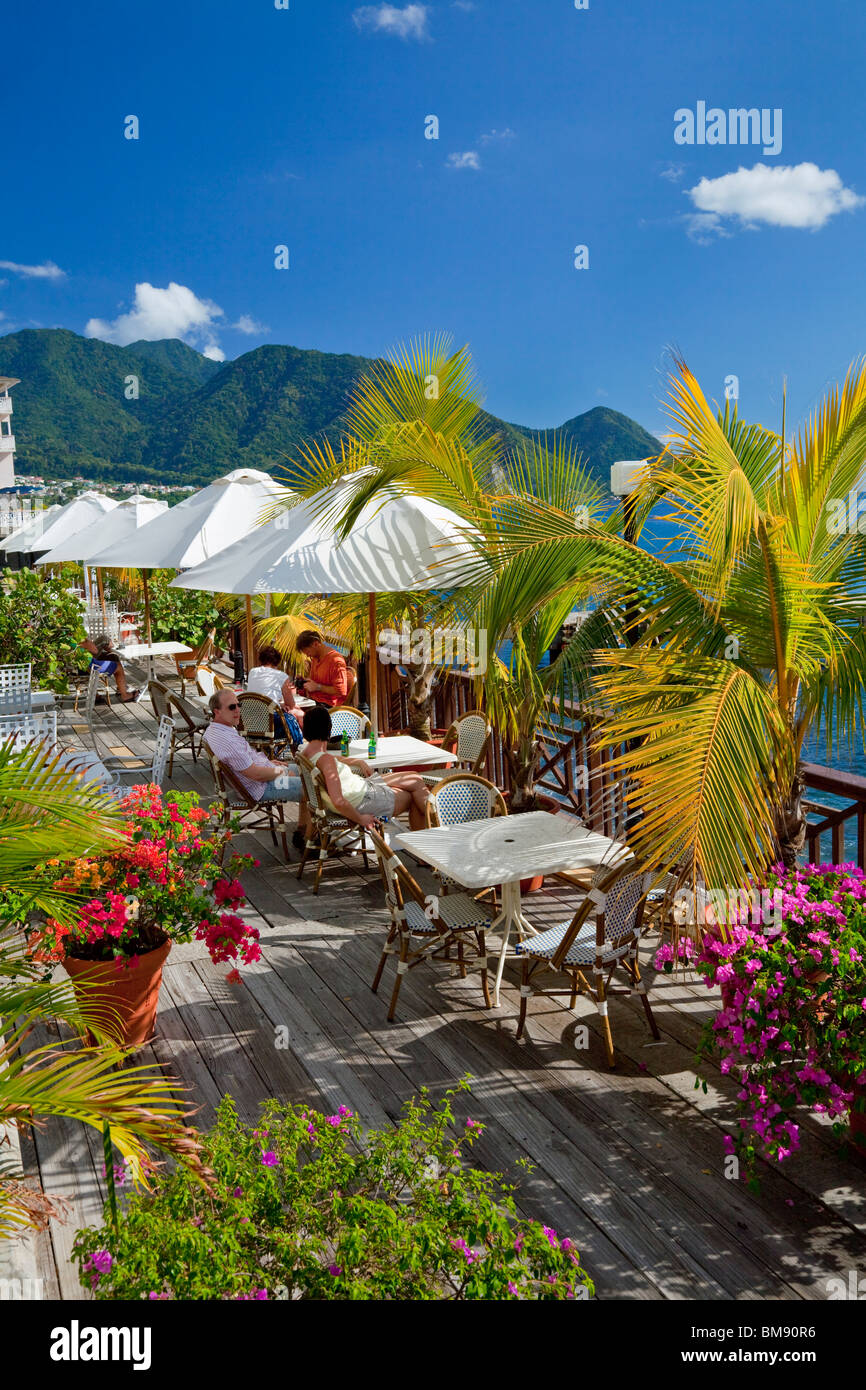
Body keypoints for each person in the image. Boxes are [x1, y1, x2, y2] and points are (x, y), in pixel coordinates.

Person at [300, 704, 430, 831]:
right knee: (413, 793)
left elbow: (330, 759)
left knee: (414, 777)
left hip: (361, 788)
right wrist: (361, 819)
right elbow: (338, 801)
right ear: (328, 728)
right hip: (361, 800)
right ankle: (436, 823)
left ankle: (432, 825)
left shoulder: (307, 753)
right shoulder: (325, 760)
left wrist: (357, 761)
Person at [204, 688, 303, 808]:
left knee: (306, 771)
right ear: (217, 711)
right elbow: (256, 774)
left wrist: (268, 763)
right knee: (311, 787)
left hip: (261, 778)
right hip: (261, 787)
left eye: (238, 705)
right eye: (232, 707)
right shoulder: (227, 741)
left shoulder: (216, 729)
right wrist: (283, 772)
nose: (237, 710)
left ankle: (303, 825)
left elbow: (248, 766)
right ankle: (312, 825)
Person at [246, 644, 303, 746]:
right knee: (299, 713)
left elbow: (261, 697)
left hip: (250, 723)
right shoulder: (281, 676)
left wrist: (278, 704)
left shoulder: (252, 672)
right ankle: (305, 747)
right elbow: (291, 704)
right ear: (277, 661)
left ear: (261, 660)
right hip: (270, 726)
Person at [295, 630, 352, 709]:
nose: (308, 656)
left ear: (316, 644)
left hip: (328, 707)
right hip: (314, 702)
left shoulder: (335, 660)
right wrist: (305, 681)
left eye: (308, 652)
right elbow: (316, 682)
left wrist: (318, 687)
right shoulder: (315, 658)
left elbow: (341, 691)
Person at [82, 635, 138, 702]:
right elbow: (94, 650)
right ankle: (125, 695)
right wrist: (88, 641)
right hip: (87, 666)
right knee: (118, 667)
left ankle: (120, 688)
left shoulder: (68, 640)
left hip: (77, 666)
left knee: (112, 656)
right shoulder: (78, 637)